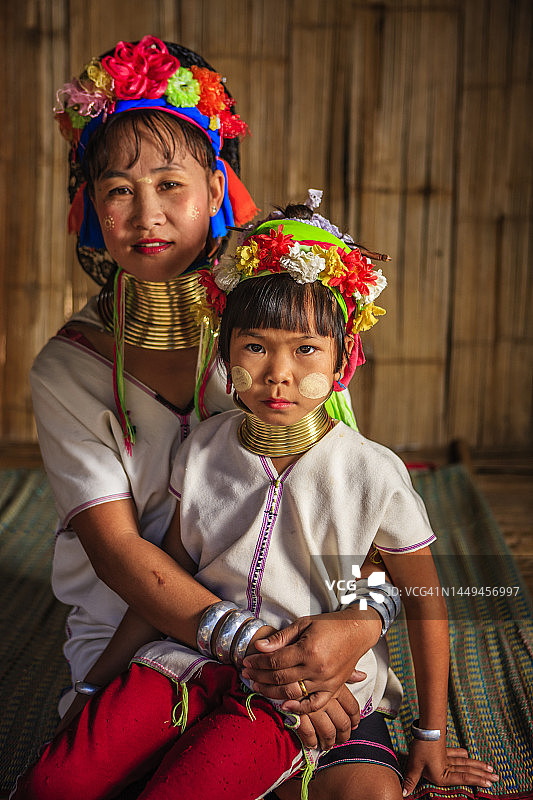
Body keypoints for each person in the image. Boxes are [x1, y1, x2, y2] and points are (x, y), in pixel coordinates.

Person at [27, 34, 414, 800]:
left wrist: (357, 628)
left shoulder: (277, 336)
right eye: (117, 191)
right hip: (140, 632)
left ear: (216, 187)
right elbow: (115, 554)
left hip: (301, 616)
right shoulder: (69, 367)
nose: (147, 216)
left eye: (172, 184)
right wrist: (254, 652)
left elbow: (354, 505)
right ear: (88, 209)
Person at [14, 213, 500, 800]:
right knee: (51, 784)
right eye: (254, 347)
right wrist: (92, 691)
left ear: (343, 359)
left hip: (293, 689)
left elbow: (424, 599)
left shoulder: (372, 473)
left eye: (306, 350)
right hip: (187, 657)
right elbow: (168, 579)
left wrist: (429, 732)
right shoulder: (200, 453)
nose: (278, 375)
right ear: (223, 356)